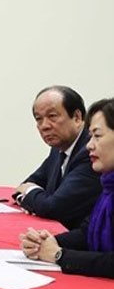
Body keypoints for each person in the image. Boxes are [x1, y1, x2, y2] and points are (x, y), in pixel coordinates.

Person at [20, 98, 114, 278]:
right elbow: (88, 231)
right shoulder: (108, 184)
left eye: (97, 136)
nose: (89, 145)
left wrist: (59, 255)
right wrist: (48, 242)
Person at [14, 86, 101, 229]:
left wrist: (31, 195)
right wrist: (32, 195)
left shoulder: (90, 152)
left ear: (77, 117)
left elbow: (54, 208)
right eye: (39, 119)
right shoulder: (58, 148)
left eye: (52, 116)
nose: (44, 126)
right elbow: (27, 184)